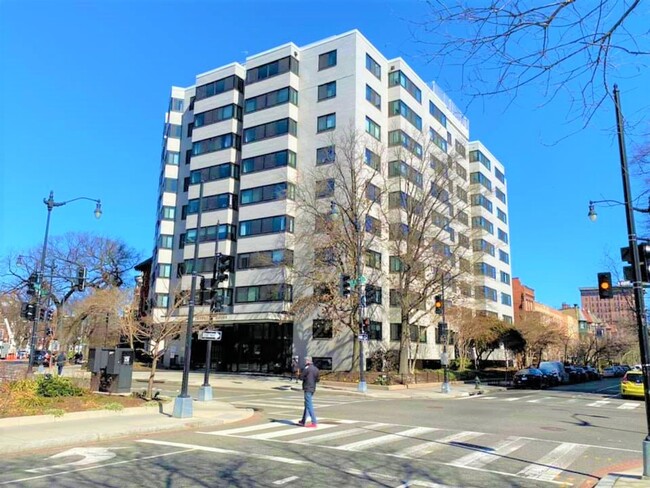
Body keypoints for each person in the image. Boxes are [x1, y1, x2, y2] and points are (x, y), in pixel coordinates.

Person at [298, 356, 319, 428]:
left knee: (309, 405)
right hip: (313, 388)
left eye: (305, 361)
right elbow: (317, 379)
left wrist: (299, 374)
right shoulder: (316, 369)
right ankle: (303, 420)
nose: (305, 362)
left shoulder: (306, 369)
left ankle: (314, 422)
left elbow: (301, 377)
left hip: (307, 388)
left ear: (307, 361)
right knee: (307, 404)